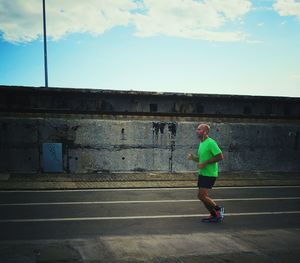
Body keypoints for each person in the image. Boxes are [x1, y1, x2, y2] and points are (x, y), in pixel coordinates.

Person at [187, 123, 224, 223]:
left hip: (210, 174)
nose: (197, 131)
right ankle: (214, 215)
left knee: (202, 196)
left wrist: (205, 163)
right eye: (197, 129)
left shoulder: (211, 142)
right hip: (203, 173)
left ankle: (218, 209)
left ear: (205, 132)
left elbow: (220, 156)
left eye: (199, 129)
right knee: (201, 196)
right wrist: (193, 158)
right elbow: (201, 159)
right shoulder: (202, 143)